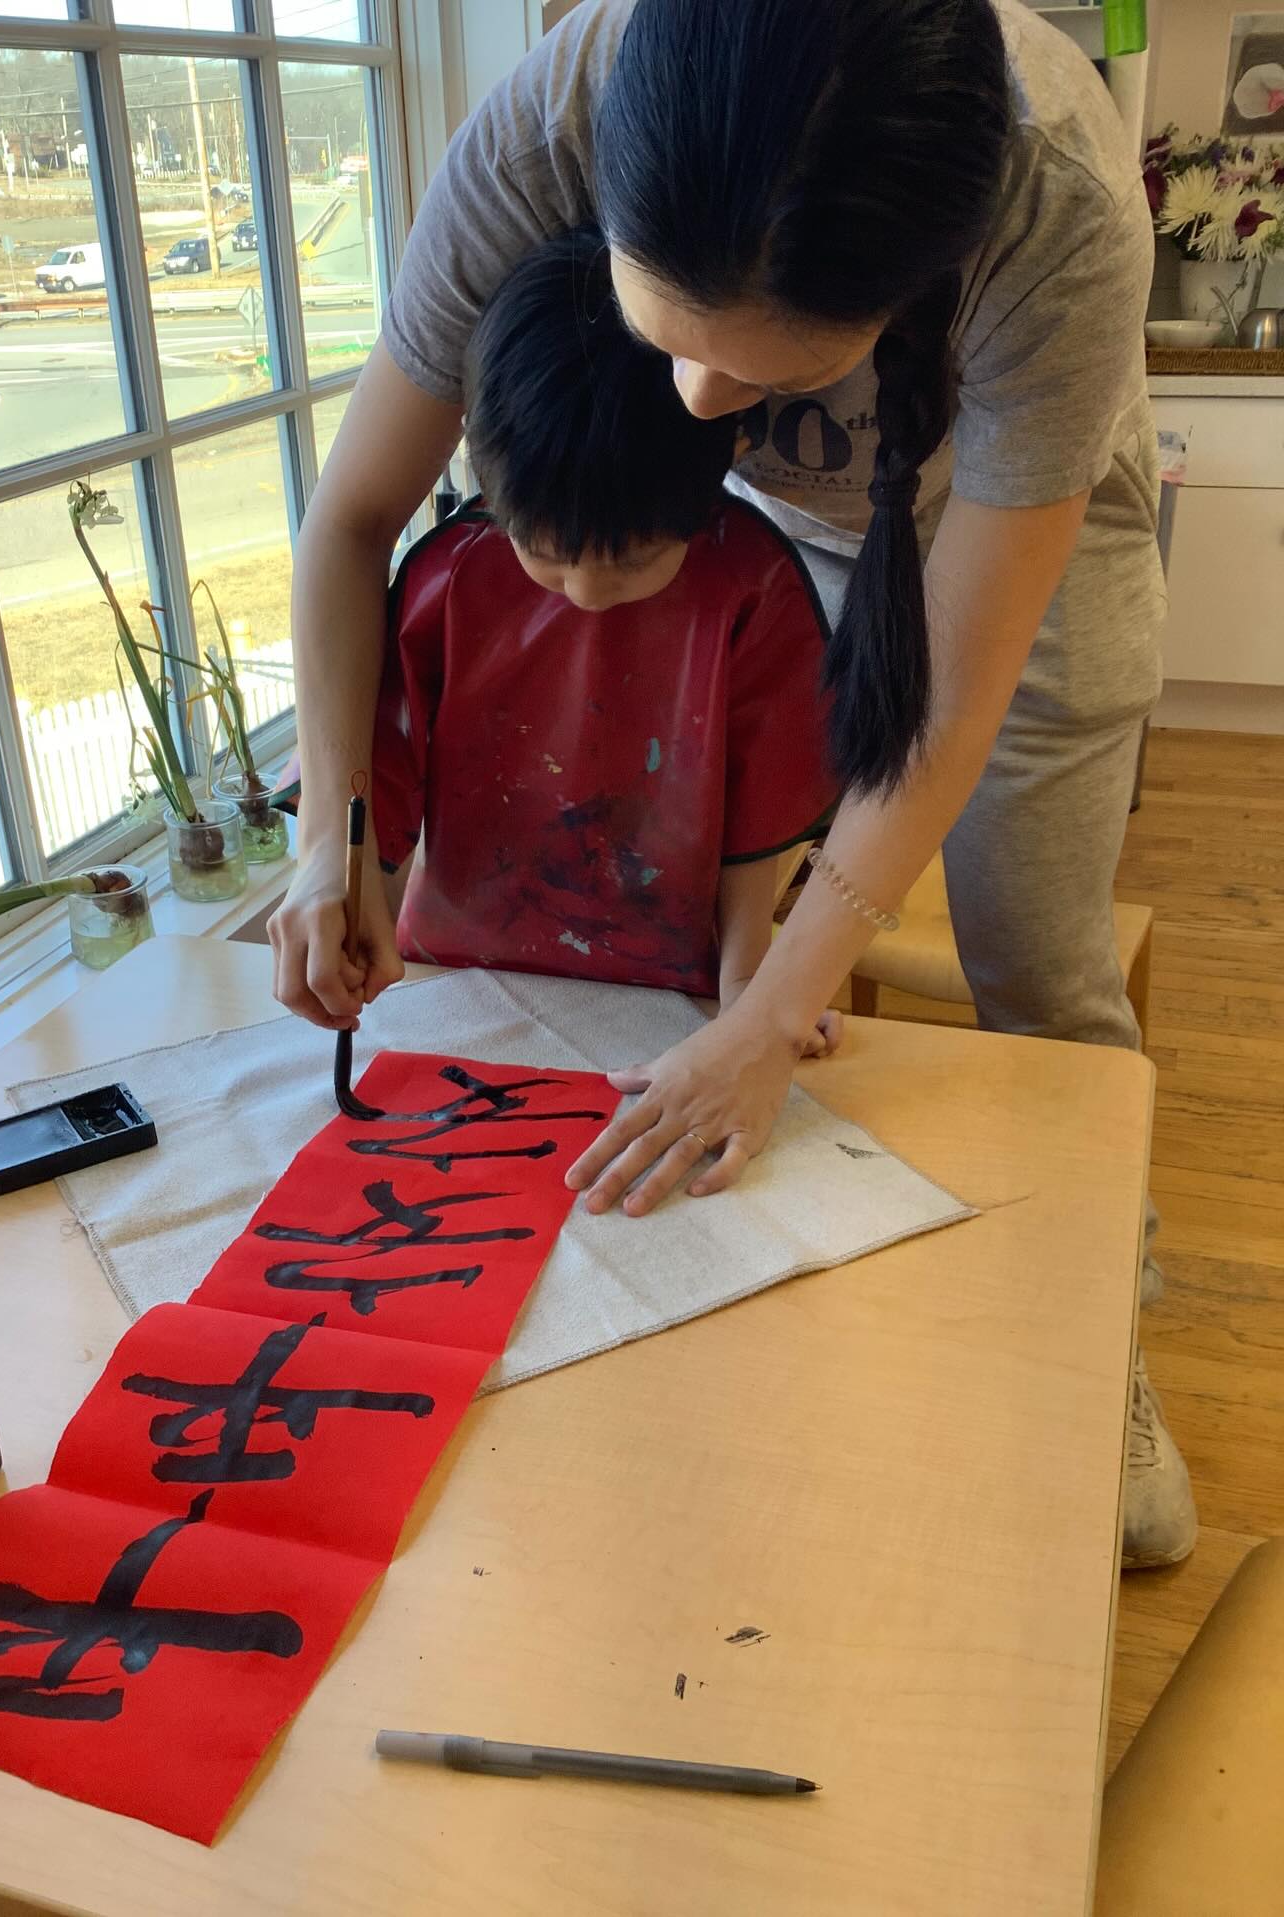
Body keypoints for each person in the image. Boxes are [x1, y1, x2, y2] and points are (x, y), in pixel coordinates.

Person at [267, 0, 1193, 1568]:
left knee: (1033, 948)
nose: (696, 401)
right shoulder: (550, 123)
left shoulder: (1063, 223)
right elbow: (351, 525)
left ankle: (1107, 1317)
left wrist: (764, 1018)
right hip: (766, 534)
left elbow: (950, 705)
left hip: (1019, 535)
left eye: (756, 361)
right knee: (780, 945)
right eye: (668, 335)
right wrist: (328, 838)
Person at [370, 226, 839, 1015]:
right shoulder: (446, 575)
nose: (585, 590)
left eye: (631, 562)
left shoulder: (752, 584)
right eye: (545, 553)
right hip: (455, 975)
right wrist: (357, 910)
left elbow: (765, 813)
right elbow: (375, 768)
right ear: (487, 479)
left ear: (718, 468)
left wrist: (751, 983)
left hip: (669, 990)